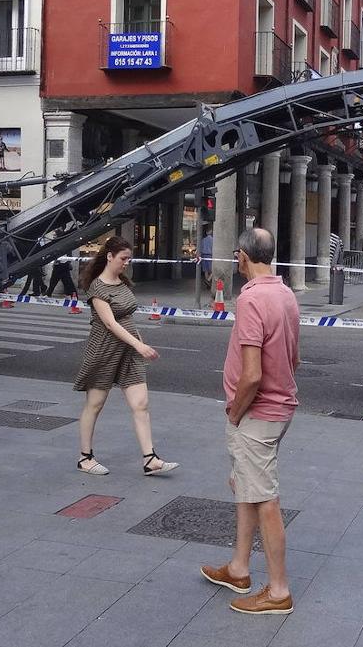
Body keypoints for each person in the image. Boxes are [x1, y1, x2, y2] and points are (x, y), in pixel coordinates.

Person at [201, 228, 299, 616]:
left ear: (241, 257)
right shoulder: (286, 293)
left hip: (257, 413)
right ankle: (239, 569)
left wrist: (235, 412)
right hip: (280, 407)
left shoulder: (252, 299)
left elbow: (252, 374)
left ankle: (278, 591)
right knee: (248, 487)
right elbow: (294, 358)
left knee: (265, 500)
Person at [72, 236, 178, 477]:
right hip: (104, 351)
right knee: (95, 404)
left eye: (129, 258)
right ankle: (85, 457)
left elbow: (126, 319)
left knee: (141, 404)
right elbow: (109, 323)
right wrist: (139, 346)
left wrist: (138, 343)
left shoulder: (122, 282)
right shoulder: (97, 288)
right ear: (109, 256)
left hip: (128, 351)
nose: (126, 263)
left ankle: (150, 458)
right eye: (123, 258)